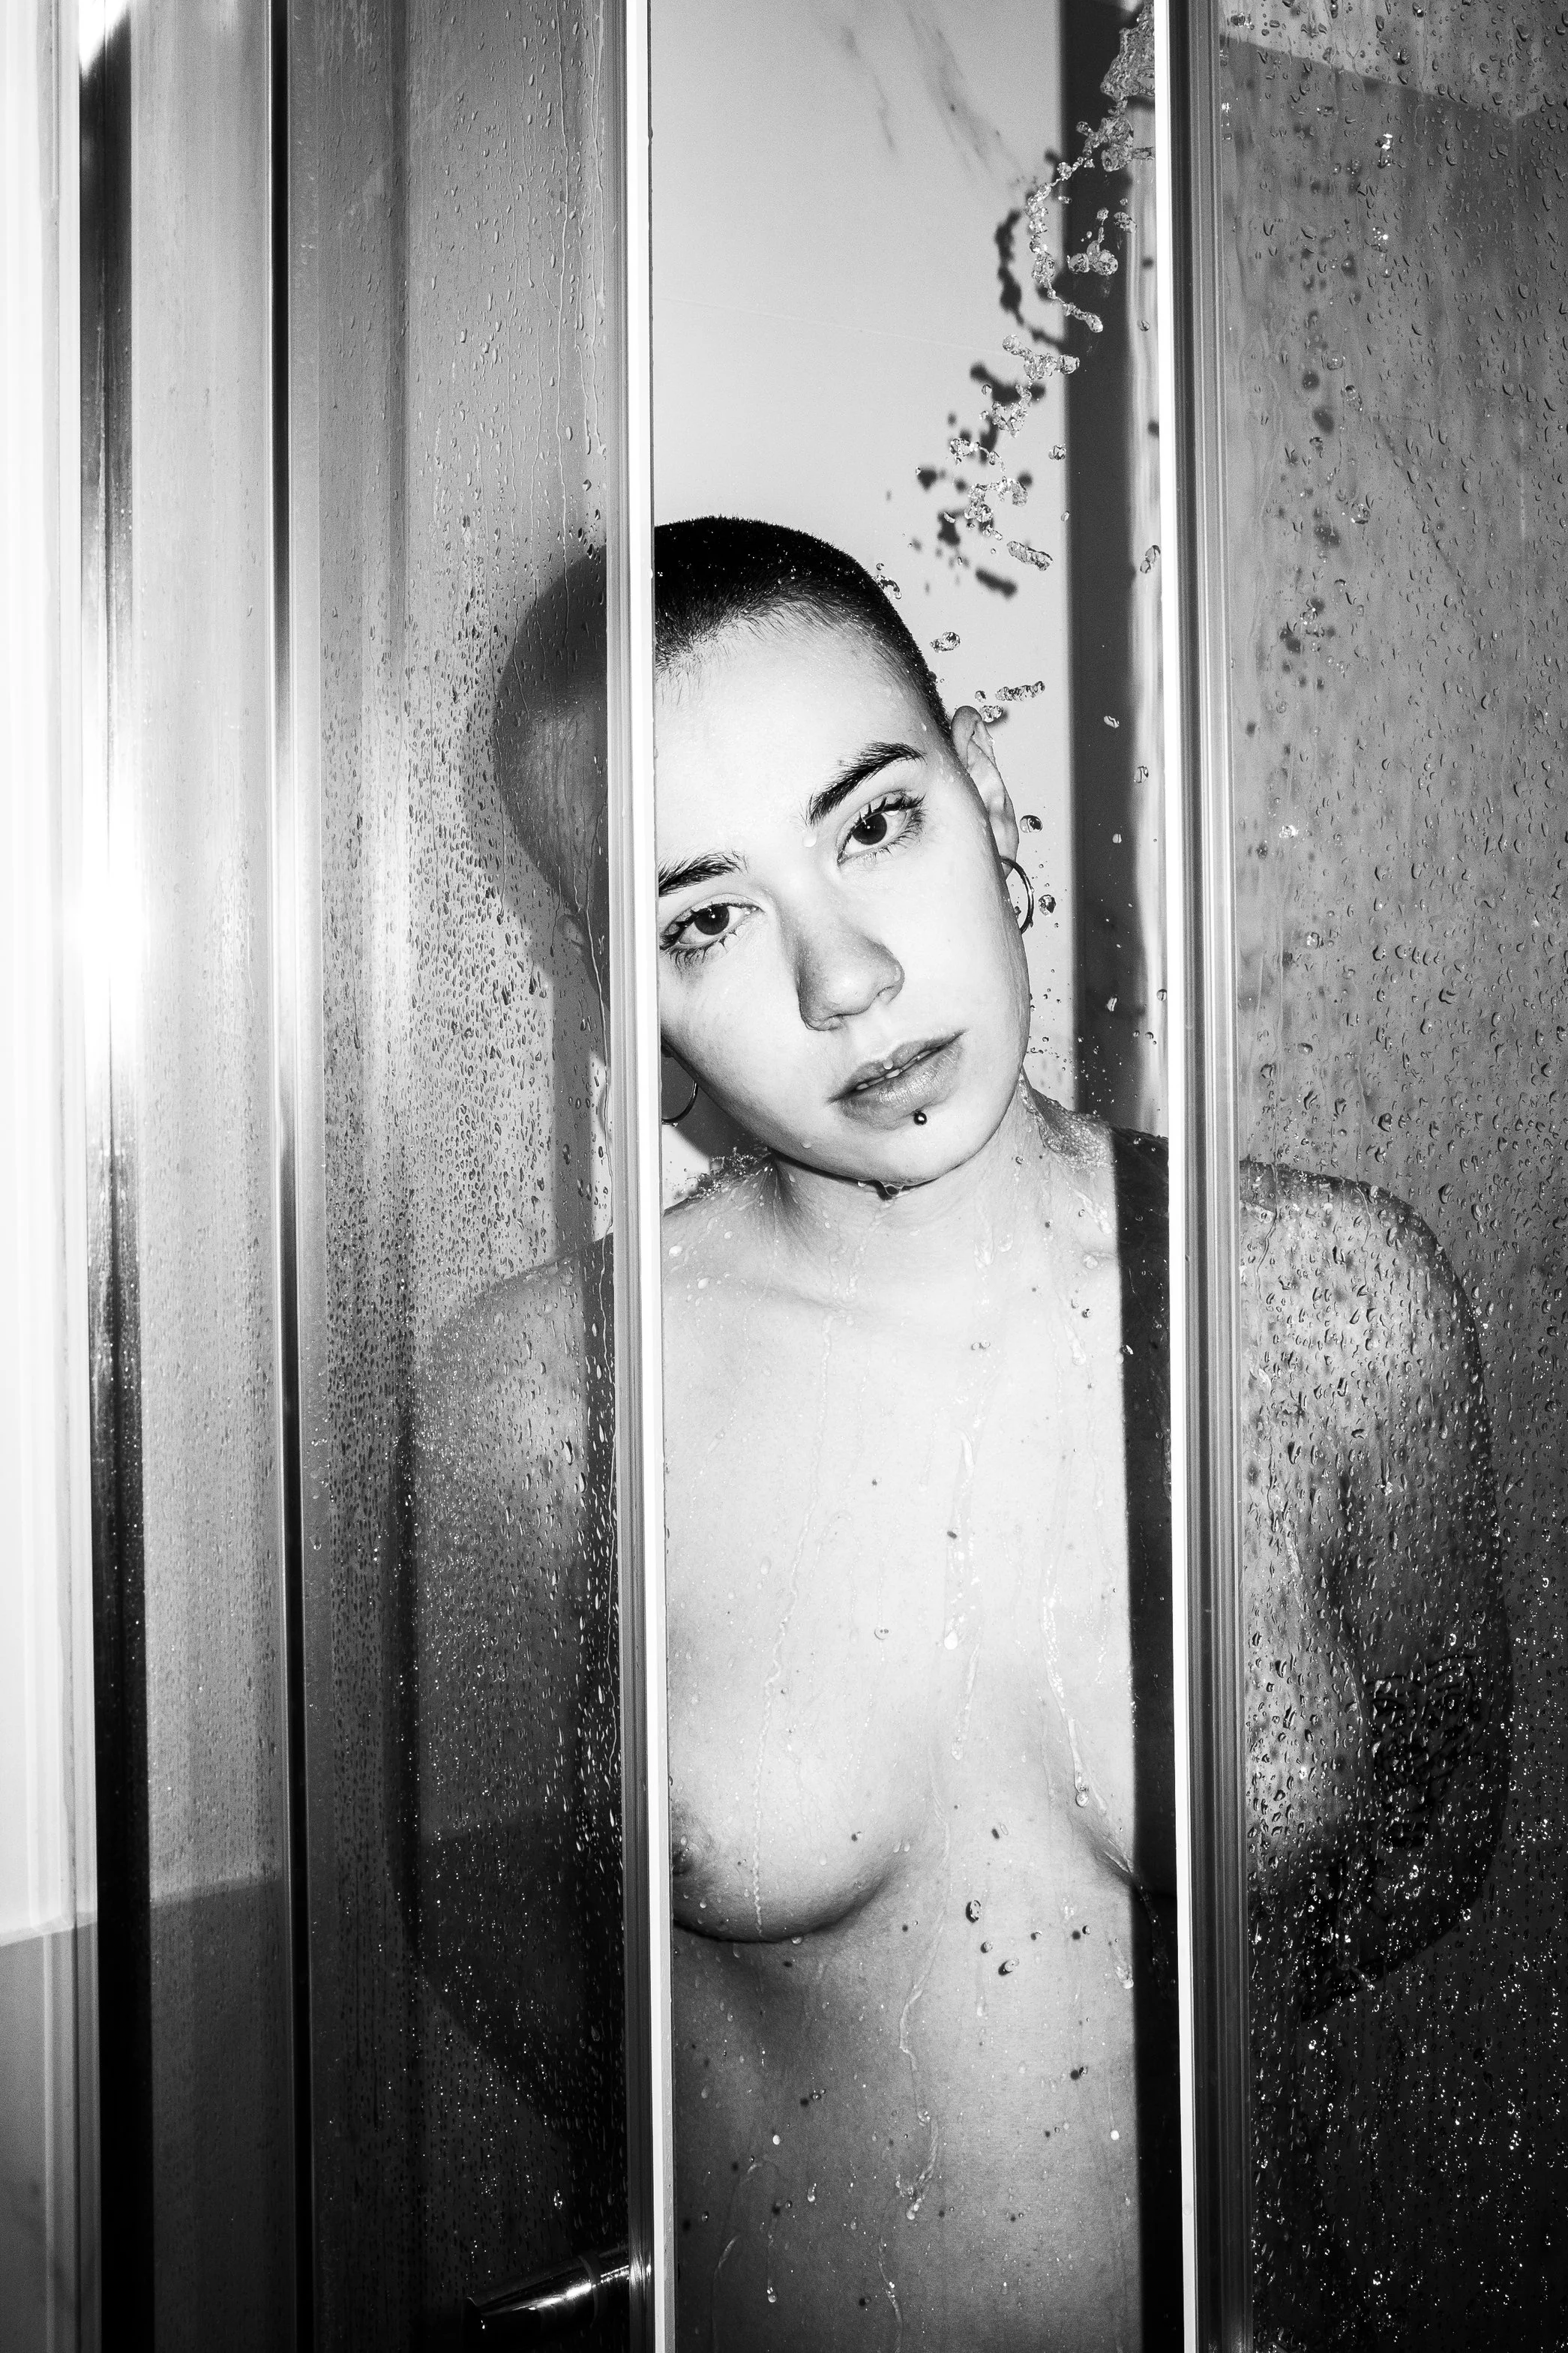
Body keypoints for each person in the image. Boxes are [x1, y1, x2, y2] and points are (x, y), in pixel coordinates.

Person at [425, 517, 1510, 2351]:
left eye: (871, 824)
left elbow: (1437, 1816)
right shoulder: (547, 1404)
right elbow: (504, 1941)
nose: (842, 978)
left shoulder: (1329, 1306)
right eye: (704, 918)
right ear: (633, 1003)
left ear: (986, 797)